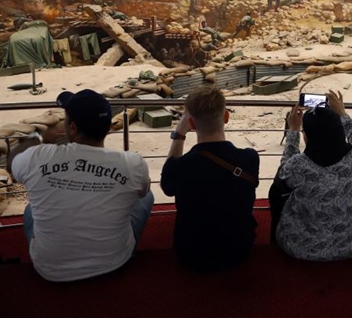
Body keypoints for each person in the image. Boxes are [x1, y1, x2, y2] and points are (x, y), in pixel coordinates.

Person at [8, 90, 153, 282]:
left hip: (49, 269)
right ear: (108, 127)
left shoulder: (38, 156)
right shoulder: (132, 163)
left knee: (30, 210)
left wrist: (38, 139)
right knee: (146, 194)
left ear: (73, 128)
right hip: (114, 262)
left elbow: (11, 164)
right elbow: (141, 192)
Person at [160, 86, 259, 273]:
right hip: (238, 251)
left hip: (191, 254)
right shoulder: (250, 158)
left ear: (192, 123)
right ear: (226, 117)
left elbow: (167, 185)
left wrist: (179, 134)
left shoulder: (181, 166)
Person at [269, 91, 352, 261]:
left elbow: (283, 173)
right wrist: (342, 114)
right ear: (339, 131)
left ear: (306, 136)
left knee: (276, 192)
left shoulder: (298, 165)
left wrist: (293, 130)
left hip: (303, 248)